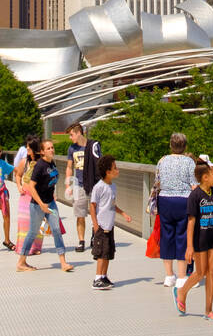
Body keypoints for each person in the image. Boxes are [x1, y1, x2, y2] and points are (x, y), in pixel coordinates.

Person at [175, 160, 213, 320]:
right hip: (199, 239)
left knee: (212, 272)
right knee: (201, 272)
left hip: (212, 238)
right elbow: (191, 222)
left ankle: (208, 310)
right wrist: (189, 247)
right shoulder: (195, 196)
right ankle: (182, 292)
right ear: (205, 177)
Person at [17, 139, 73, 272]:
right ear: (42, 152)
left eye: (52, 147)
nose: (52, 150)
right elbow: (31, 187)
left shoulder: (52, 163)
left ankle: (63, 262)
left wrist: (52, 195)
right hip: (37, 205)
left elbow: (50, 181)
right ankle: (21, 262)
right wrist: (41, 204)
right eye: (48, 148)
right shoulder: (40, 166)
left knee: (56, 231)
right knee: (32, 232)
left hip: (50, 204)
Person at [155, 133, 195, 294]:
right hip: (183, 201)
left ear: (171, 145)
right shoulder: (189, 162)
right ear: (185, 146)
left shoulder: (162, 161)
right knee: (182, 236)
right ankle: (181, 276)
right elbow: (193, 184)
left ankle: (168, 275)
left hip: (164, 200)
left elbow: (157, 180)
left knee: (167, 235)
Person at [90, 155, 131, 289]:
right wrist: (96, 225)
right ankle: (97, 278)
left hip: (110, 225)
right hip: (101, 226)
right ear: (108, 172)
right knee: (101, 253)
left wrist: (123, 213)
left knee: (108, 252)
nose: (117, 170)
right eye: (115, 168)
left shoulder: (113, 187)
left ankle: (104, 276)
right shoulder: (99, 187)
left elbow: (112, 205)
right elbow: (92, 206)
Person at [14, 136, 44, 258]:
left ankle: (36, 247)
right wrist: (19, 186)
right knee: (24, 221)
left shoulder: (42, 162)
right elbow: (18, 174)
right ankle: (22, 246)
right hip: (26, 194)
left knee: (37, 221)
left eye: (28, 147)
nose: (26, 148)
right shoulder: (24, 161)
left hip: (38, 194)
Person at [65, 122, 91, 253]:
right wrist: (67, 184)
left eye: (71, 135)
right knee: (80, 215)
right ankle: (81, 241)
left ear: (79, 133)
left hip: (93, 184)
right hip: (79, 185)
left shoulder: (91, 146)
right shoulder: (72, 149)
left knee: (97, 214)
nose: (70, 138)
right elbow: (69, 167)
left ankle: (95, 236)